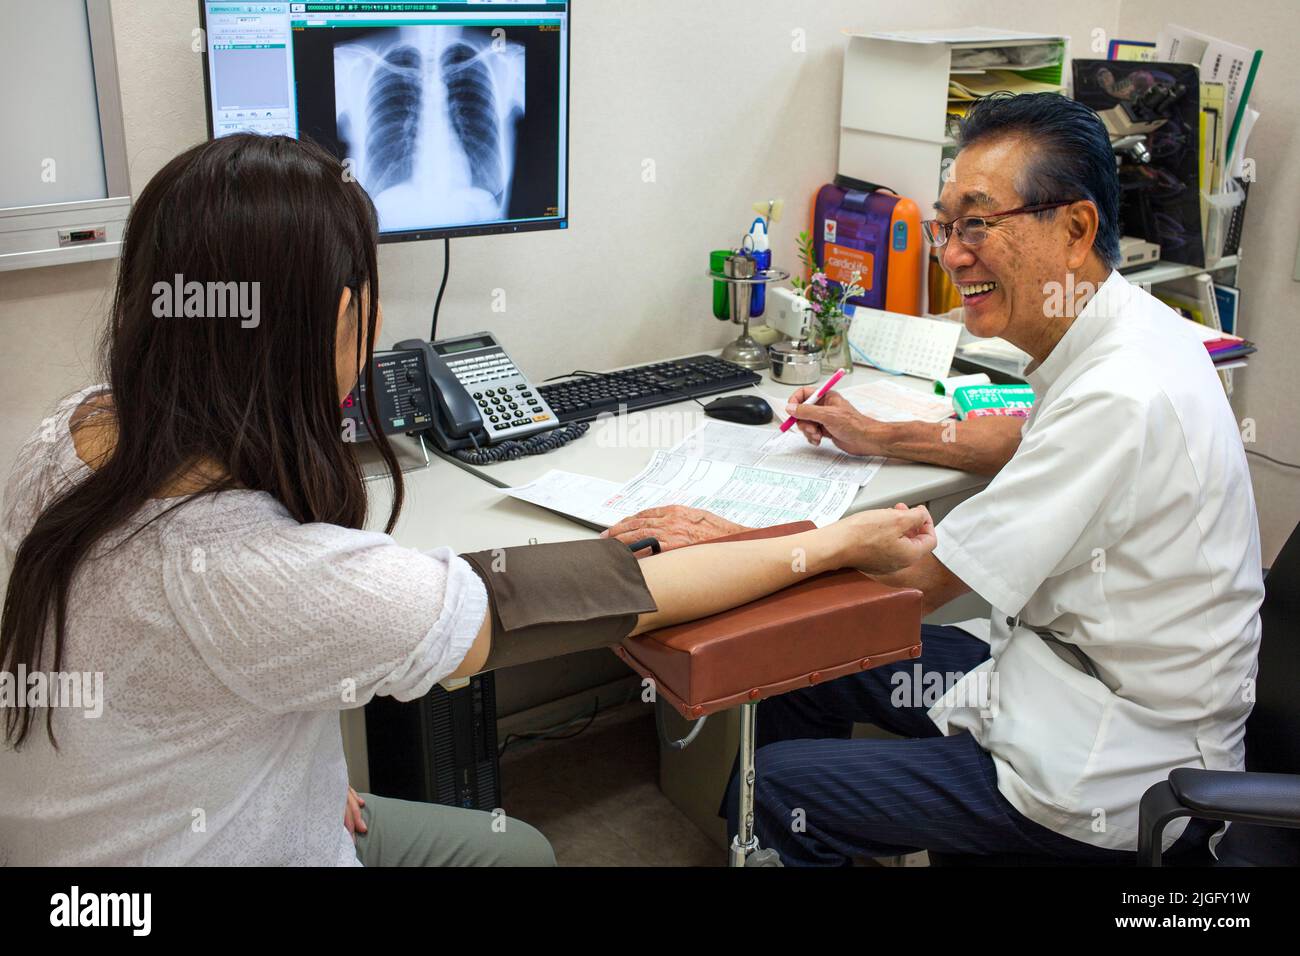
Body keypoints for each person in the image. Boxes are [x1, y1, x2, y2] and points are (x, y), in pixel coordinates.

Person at [0, 134, 938, 867]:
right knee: (519, 851)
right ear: (340, 322)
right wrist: (838, 541)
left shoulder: (74, 435)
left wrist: (291, 778)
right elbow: (587, 596)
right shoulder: (252, 572)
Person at [606, 92, 1264, 865]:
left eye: (979, 223)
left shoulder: (1120, 394)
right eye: (945, 225)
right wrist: (884, 434)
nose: (952, 254)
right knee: (801, 677)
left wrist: (743, 542)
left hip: (1109, 763)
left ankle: (789, 832)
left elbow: (920, 577)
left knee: (779, 785)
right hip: (1067, 674)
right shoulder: (1129, 324)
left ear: (1077, 228)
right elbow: (1027, 440)